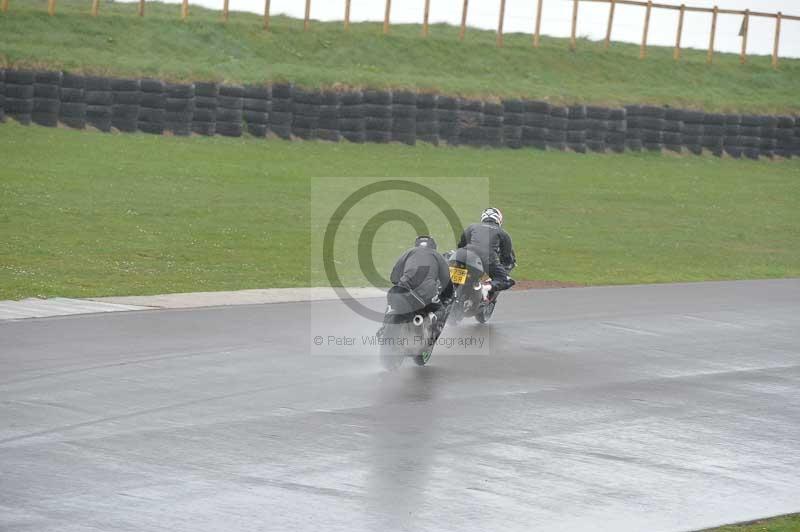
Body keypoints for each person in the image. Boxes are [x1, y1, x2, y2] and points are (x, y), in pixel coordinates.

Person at [382, 235, 454, 340]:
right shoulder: (438, 256)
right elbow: (446, 281)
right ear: (434, 246)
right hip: (426, 293)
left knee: (392, 303)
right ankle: (431, 338)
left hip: (404, 288)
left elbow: (394, 277)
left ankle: (383, 328)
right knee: (441, 310)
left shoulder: (409, 252)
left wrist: (402, 281)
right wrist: (447, 296)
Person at [458, 207, 516, 299]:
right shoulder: (502, 233)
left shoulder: (472, 227)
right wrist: (506, 265)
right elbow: (507, 257)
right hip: (487, 260)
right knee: (505, 280)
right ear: (499, 219)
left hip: (463, 256)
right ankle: (486, 287)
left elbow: (461, 244)